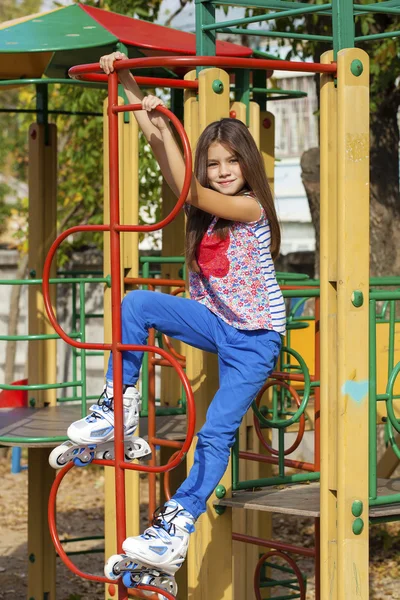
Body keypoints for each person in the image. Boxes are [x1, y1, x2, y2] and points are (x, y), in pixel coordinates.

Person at [71, 51, 286, 590]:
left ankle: (177, 523)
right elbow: (176, 176)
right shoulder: (207, 209)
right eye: (213, 164)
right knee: (136, 305)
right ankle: (119, 407)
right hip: (217, 322)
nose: (222, 172)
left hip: (256, 340)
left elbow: (187, 186)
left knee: (213, 436)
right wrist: (134, 95)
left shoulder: (253, 207)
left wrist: (166, 124)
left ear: (248, 165)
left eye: (230, 163)